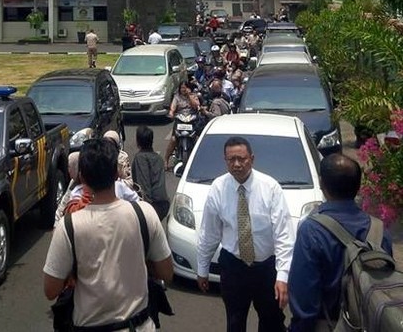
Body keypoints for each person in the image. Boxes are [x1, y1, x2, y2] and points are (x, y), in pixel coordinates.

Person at [43, 137, 173, 332]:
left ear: (82, 177)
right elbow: (166, 273)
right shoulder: (144, 213)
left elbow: (50, 290)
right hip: (139, 326)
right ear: (116, 174)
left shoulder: (69, 225)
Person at [196, 136, 294, 332]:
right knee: (234, 321)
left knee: (271, 322)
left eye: (242, 158)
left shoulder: (270, 188)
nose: (237, 164)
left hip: (266, 268)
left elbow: (283, 235)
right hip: (234, 267)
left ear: (252, 158)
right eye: (231, 160)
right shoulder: (218, 188)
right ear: (225, 161)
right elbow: (209, 232)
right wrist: (202, 269)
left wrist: (282, 276)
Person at [288, 153, 394, 331]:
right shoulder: (379, 230)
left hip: (329, 324)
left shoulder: (312, 230)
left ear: (322, 184)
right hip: (370, 324)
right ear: (358, 186)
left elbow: (304, 298)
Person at [132, 125, 170, 224]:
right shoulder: (158, 158)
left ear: (138, 142)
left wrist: (145, 209)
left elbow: (143, 186)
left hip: (152, 206)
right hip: (163, 205)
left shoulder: (140, 158)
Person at [165, 81, 201, 169]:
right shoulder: (177, 97)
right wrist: (171, 113)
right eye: (182, 88)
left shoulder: (194, 96)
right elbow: (173, 107)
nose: (184, 89)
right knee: (173, 139)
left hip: (192, 120)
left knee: (197, 139)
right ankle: (166, 159)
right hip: (180, 119)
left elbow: (196, 106)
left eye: (185, 87)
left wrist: (189, 96)